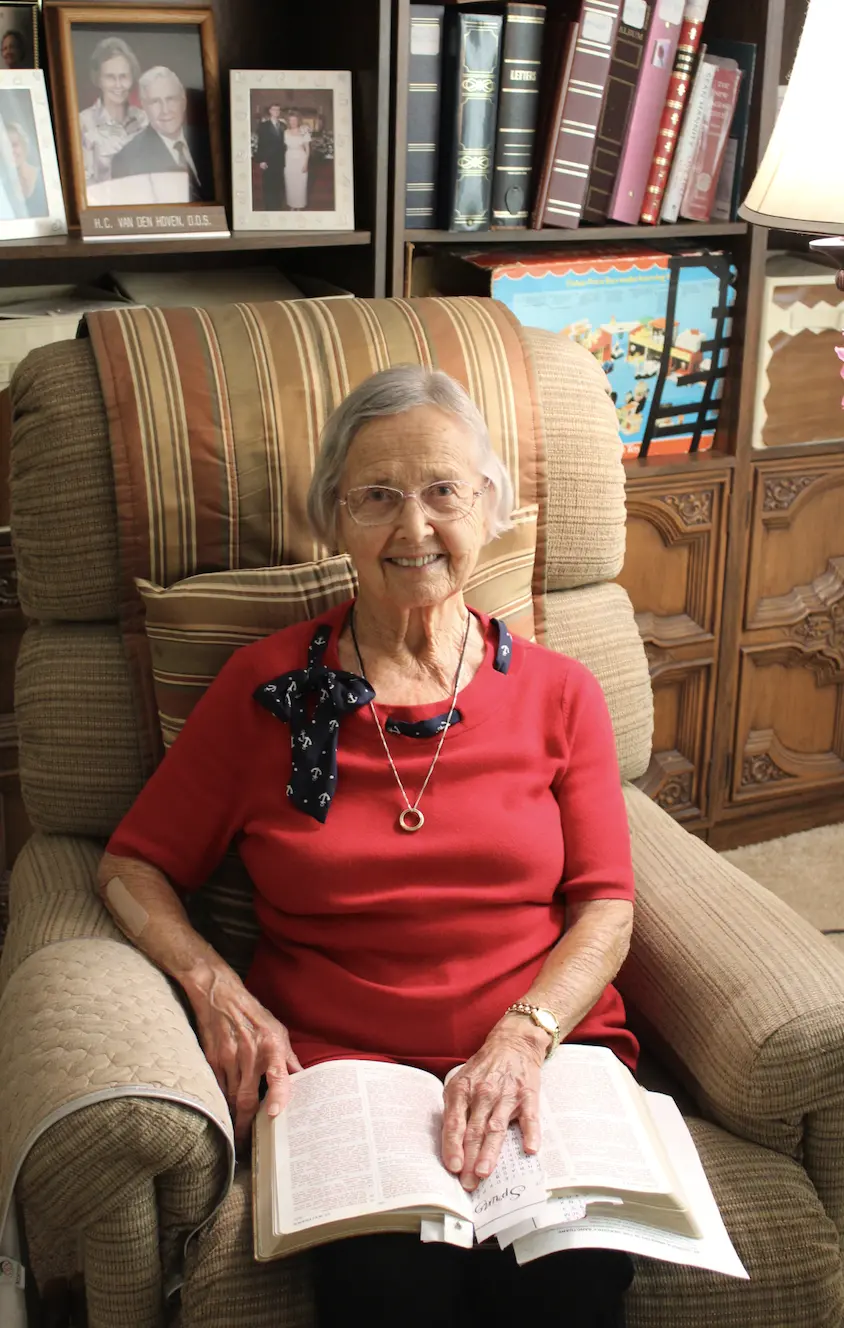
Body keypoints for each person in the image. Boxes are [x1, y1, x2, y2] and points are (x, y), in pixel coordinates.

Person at [99, 366, 637, 1327]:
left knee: (567, 1286)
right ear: (334, 521)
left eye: (443, 491)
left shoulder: (562, 694)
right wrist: (216, 986)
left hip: (540, 1056)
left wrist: (524, 1034)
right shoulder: (264, 690)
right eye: (377, 497)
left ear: (491, 506)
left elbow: (606, 906)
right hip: (341, 1073)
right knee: (391, 1295)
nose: (414, 527)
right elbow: (131, 865)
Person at [110, 65, 213, 202]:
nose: (165, 110)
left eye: (170, 99)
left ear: (183, 101)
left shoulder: (210, 141)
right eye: (155, 102)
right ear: (144, 106)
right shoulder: (126, 161)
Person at [78, 36, 147, 188]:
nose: (118, 85)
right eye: (110, 77)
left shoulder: (144, 120)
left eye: (123, 76)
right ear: (98, 79)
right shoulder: (83, 123)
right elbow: (83, 186)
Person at [5, 121, 46, 217]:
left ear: (24, 145)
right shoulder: (4, 188)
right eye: (4, 147)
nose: (10, 151)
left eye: (14, 145)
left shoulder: (44, 177)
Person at [255, 101, 286, 210]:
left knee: (278, 184)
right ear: (270, 111)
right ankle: (268, 207)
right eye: (274, 109)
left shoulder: (283, 125)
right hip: (268, 160)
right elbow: (261, 143)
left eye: (278, 110)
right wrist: (261, 160)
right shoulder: (264, 125)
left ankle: (277, 206)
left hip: (280, 160)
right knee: (268, 184)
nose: (276, 112)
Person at [283, 109, 310, 210]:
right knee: (290, 183)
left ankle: (299, 206)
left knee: (300, 183)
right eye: (291, 120)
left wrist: (306, 164)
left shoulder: (304, 131)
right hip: (289, 159)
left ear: (298, 120)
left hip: (301, 159)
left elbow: (307, 149)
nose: (293, 122)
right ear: (288, 121)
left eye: (295, 120)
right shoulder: (285, 132)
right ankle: (292, 205)